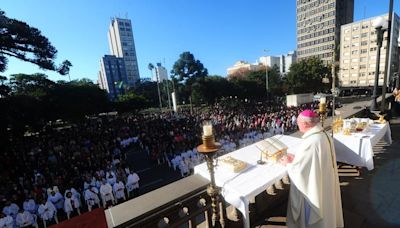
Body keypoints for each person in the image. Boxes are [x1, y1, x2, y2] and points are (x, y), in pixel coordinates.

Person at [280, 110, 344, 228]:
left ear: (305, 124)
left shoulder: (312, 141)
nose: (297, 124)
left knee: (312, 213)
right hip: (325, 182)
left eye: (298, 122)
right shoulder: (323, 134)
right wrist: (297, 158)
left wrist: (288, 163)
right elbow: (313, 160)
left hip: (315, 188)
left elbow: (300, 171)